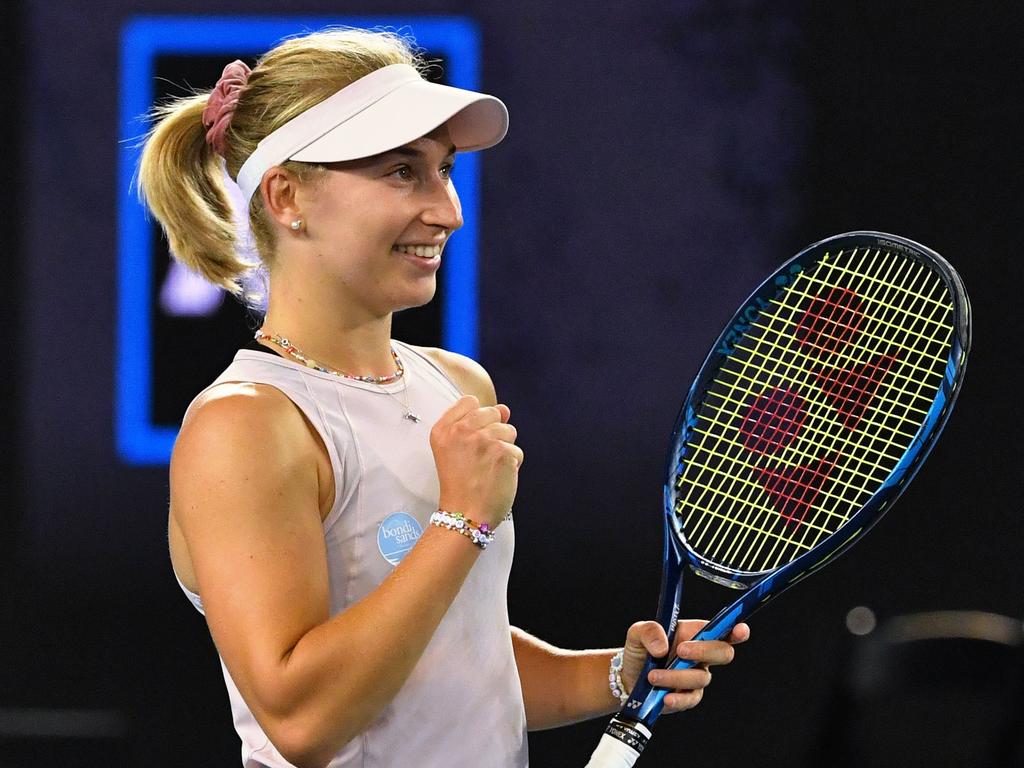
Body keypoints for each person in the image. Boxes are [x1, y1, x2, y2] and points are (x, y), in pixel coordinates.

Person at [139, 28, 749, 768]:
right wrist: (460, 518)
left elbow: (457, 665)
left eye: (445, 171)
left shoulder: (457, 385)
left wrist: (620, 675)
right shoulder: (246, 425)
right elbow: (301, 720)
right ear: (287, 196)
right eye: (402, 172)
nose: (448, 210)